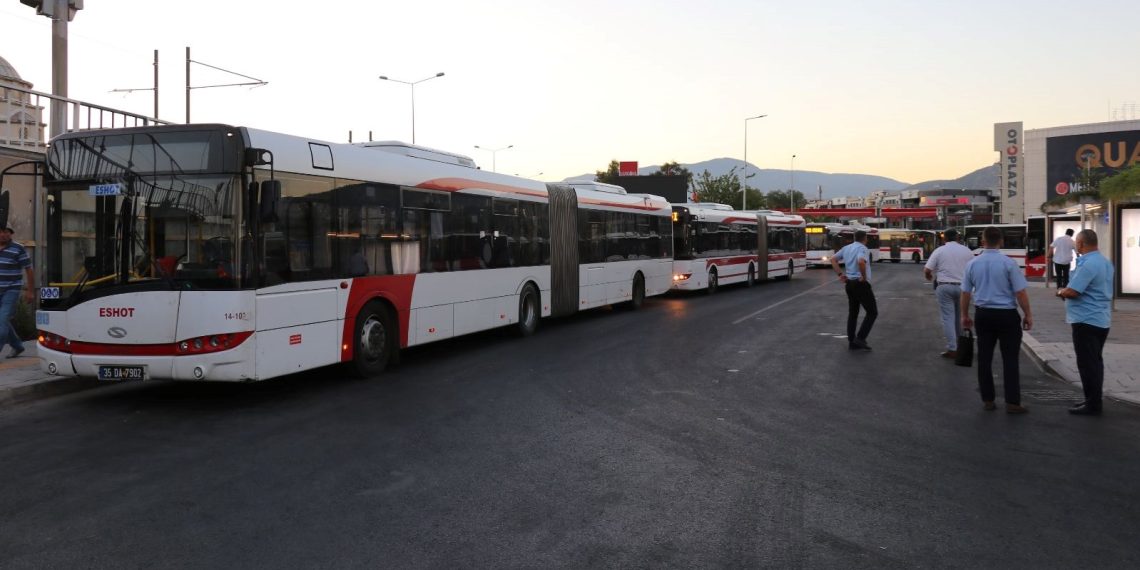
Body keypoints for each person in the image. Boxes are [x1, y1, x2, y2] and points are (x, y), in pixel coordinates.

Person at [961, 226, 1033, 414]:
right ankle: (1012, 402)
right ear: (1001, 241)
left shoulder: (972, 264)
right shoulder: (1008, 263)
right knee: (1010, 358)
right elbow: (1020, 292)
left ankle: (988, 399)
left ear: (983, 242)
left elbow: (966, 293)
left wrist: (964, 315)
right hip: (1007, 315)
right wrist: (1028, 314)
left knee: (984, 358)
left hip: (983, 314)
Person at [1056, 229, 1113, 416]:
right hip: (1101, 319)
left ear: (1081, 244)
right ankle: (1092, 399)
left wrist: (1061, 292)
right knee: (1095, 362)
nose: (1075, 246)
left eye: (1076, 244)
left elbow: (1074, 291)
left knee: (1087, 364)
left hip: (1086, 319)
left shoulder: (1088, 264)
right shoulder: (1105, 262)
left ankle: (1093, 404)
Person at [924, 229, 974, 359]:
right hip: (963, 288)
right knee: (959, 317)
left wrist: (929, 276)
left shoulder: (940, 250)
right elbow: (973, 270)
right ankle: (959, 344)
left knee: (948, 318)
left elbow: (927, 269)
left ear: (944, 238)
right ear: (958, 238)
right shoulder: (967, 251)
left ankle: (953, 348)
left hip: (945, 287)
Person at [830, 229, 877, 350]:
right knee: (872, 312)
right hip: (860, 284)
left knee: (853, 313)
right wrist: (864, 276)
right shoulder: (862, 248)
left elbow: (833, 259)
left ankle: (852, 342)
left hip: (849, 283)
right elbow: (861, 262)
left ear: (855, 238)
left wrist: (840, 275)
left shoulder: (846, 248)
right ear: (865, 238)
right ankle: (860, 338)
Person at [0, 225, 35, 359]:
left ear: (11, 234)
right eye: (1, 232)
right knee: (3, 322)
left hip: (11, 290)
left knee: (2, 321)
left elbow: (29, 270)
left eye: (6, 232)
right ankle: (18, 346)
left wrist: (30, 291)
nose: (3, 235)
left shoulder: (18, 248)